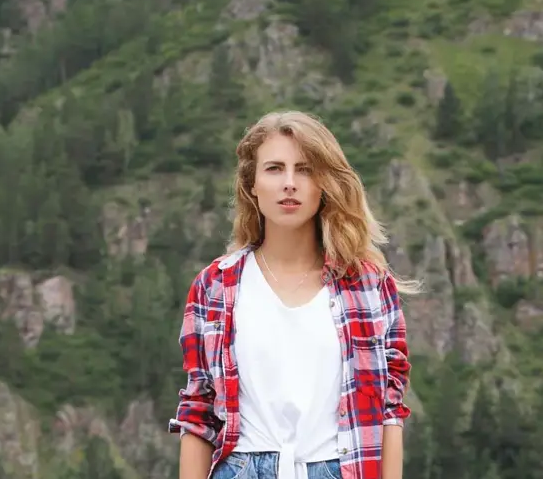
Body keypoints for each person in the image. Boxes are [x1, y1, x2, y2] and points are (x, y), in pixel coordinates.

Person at [168, 110, 421, 479]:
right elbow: (199, 409)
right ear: (251, 184)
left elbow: (390, 409)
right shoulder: (215, 286)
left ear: (325, 183)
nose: (289, 183)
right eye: (274, 169)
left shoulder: (368, 286)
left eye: (304, 169)